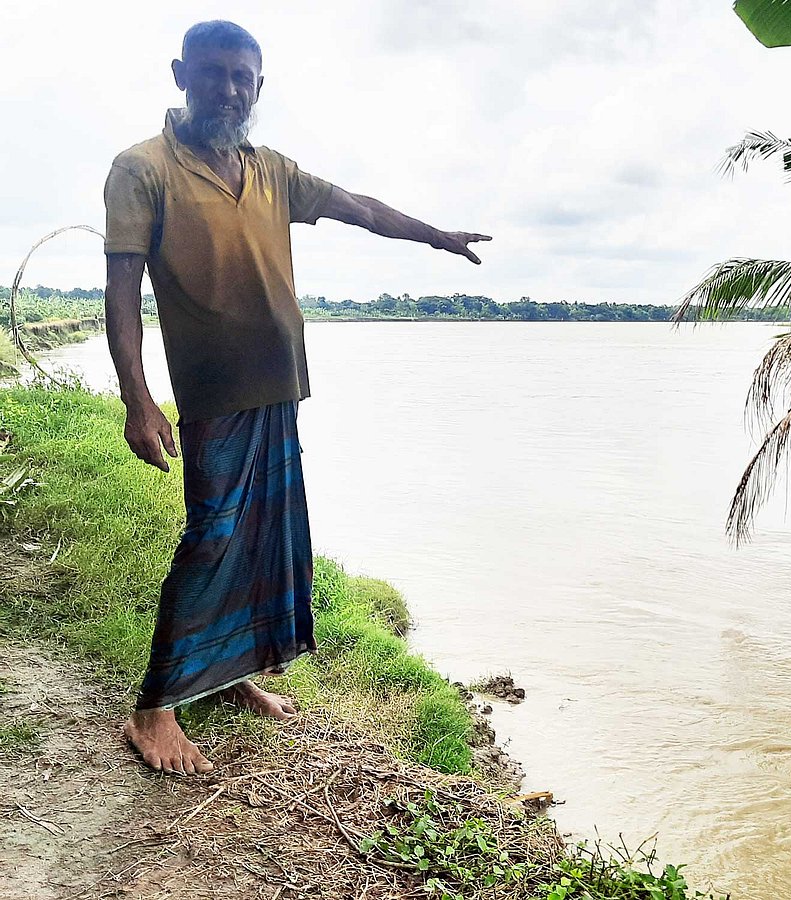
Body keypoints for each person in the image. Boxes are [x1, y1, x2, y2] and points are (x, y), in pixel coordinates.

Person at [104, 20, 489, 775]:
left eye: (242, 76)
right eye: (213, 72)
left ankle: (229, 676)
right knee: (213, 537)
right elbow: (121, 292)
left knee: (263, 542)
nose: (228, 88)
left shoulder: (271, 169)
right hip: (215, 392)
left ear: (259, 86)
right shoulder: (142, 168)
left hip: (281, 384)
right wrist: (138, 401)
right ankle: (152, 711)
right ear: (180, 74)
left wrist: (437, 236)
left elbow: (360, 208)